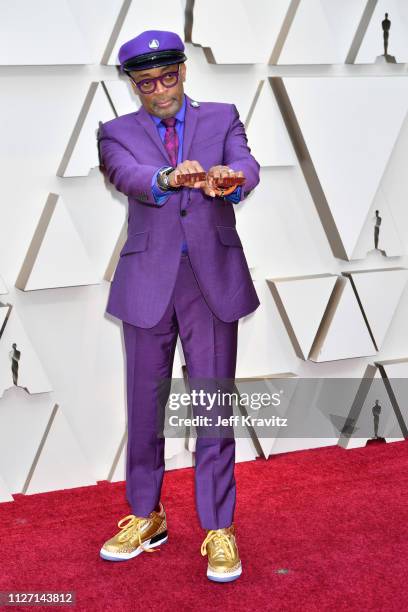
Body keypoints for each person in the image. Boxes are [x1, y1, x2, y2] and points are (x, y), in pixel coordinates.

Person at [97, 29, 260, 583]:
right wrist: (167, 177)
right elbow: (128, 176)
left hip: (211, 280)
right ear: (134, 85)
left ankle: (220, 528)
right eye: (148, 83)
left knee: (212, 408)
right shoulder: (114, 132)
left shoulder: (223, 115)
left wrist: (230, 179)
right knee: (145, 405)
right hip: (147, 282)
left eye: (169, 77)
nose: (161, 91)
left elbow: (246, 164)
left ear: (184, 71)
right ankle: (147, 515)